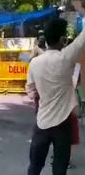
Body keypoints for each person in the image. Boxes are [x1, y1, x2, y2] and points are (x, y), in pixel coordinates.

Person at [25, 14, 85, 175]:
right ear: (62, 39)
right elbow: (82, 39)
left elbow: (30, 89)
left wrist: (39, 93)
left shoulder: (34, 63)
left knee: (35, 167)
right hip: (63, 123)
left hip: (42, 122)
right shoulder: (66, 57)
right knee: (59, 168)